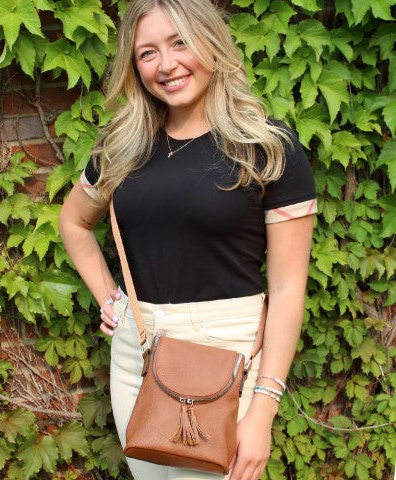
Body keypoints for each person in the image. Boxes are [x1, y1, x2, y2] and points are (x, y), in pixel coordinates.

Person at [58, 0, 317, 479]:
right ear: (134, 66)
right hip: (137, 354)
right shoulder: (122, 146)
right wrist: (110, 298)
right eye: (148, 52)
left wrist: (263, 410)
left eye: (180, 43)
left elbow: (287, 289)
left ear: (211, 42)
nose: (167, 64)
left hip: (228, 353)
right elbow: (73, 223)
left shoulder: (266, 147)